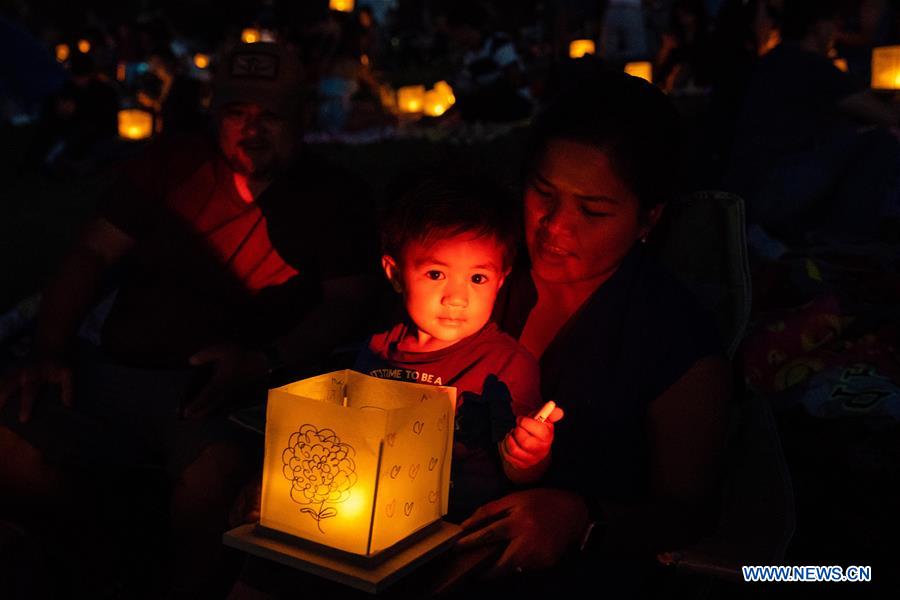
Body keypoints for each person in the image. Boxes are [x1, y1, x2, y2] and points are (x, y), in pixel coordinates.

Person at [0, 41, 375, 596]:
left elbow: (348, 302)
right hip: (115, 366)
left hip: (222, 394)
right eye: (236, 113)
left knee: (213, 482)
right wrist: (49, 350)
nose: (252, 129)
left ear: (302, 118)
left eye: (270, 115)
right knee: (12, 447)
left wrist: (264, 360)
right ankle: (100, 555)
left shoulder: (332, 196)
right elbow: (92, 253)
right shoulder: (172, 167)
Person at [452, 70, 732, 595]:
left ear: (648, 219)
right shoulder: (482, 265)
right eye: (542, 192)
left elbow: (689, 512)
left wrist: (579, 517)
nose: (555, 227)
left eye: (593, 210)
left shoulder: (672, 338)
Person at [354, 171, 561, 522]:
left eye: (477, 278)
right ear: (395, 273)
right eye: (436, 274)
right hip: (370, 518)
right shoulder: (378, 348)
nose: (456, 298)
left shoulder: (507, 365)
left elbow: (519, 476)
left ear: (501, 279)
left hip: (456, 531)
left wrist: (529, 456)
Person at [726, 0, 900, 242]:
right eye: (833, 25)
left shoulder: (775, 60)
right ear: (818, 27)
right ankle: (847, 240)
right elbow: (887, 116)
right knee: (880, 142)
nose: (835, 34)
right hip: (774, 187)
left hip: (747, 187)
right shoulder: (809, 65)